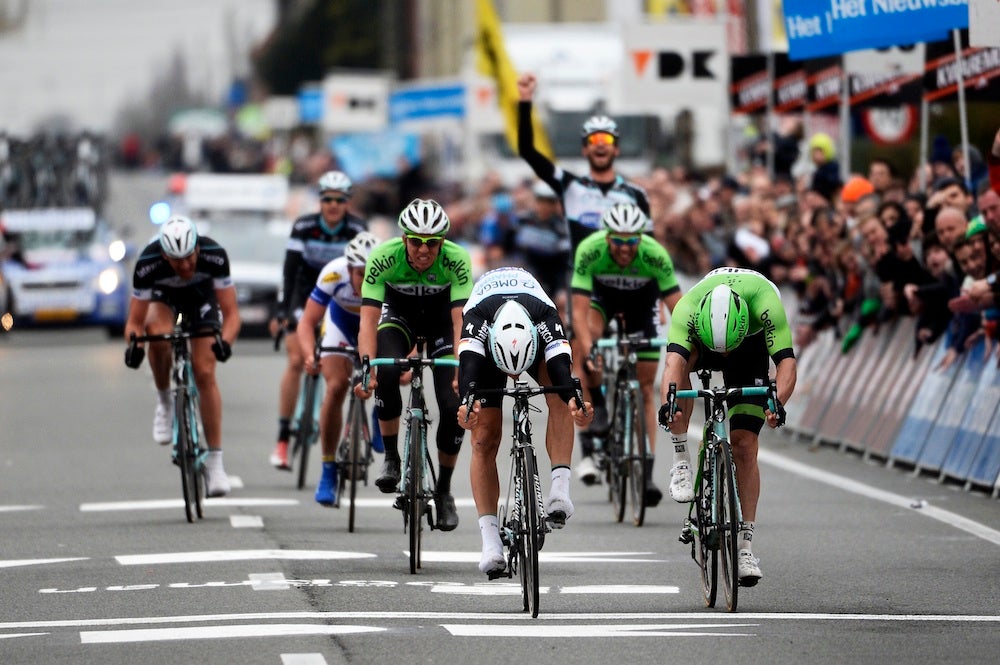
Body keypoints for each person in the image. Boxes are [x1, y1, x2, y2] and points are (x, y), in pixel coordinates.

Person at [517, 72, 651, 481]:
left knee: (639, 369)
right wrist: (524, 104)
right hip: (586, 286)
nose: (599, 148)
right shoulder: (571, 187)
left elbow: (648, 247)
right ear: (584, 149)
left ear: (615, 148)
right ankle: (594, 439)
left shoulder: (635, 195)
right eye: (593, 143)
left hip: (628, 285)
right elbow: (528, 152)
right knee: (582, 357)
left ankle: (637, 450)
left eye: (606, 142)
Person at [659, 267, 796, 587]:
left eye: (727, 349)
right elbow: (673, 366)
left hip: (749, 349)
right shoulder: (689, 308)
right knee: (678, 387)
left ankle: (745, 547)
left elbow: (786, 363)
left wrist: (778, 403)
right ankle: (681, 460)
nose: (725, 355)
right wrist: (669, 406)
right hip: (701, 343)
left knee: (744, 444)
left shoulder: (765, 302)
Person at [455, 267, 593, 574]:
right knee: (483, 437)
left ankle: (559, 490)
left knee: (559, 397)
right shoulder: (476, 321)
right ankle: (490, 541)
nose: (515, 377)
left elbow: (561, 372)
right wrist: (468, 406)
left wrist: (575, 401)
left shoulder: (545, 317)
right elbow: (468, 374)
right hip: (489, 339)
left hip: (535, 331)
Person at [354, 198, 472, 531]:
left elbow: (460, 318)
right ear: (404, 239)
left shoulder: (457, 259)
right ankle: (391, 457)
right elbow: (368, 319)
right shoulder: (383, 257)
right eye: (416, 241)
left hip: (441, 323)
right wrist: (367, 365)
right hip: (399, 315)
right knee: (387, 369)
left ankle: (445, 491)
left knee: (453, 405)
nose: (423, 249)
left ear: (442, 242)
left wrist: (464, 365)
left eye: (432, 243)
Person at [570, 202, 682, 503]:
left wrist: (684, 348)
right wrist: (590, 348)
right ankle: (599, 408)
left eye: (631, 241)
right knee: (585, 345)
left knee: (646, 388)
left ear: (640, 238)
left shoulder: (654, 255)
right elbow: (578, 312)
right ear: (606, 237)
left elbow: (679, 310)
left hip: (640, 305)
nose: (624, 248)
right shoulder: (590, 250)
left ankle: (646, 474)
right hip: (601, 301)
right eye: (617, 241)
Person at [123, 215, 241, 497]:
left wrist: (225, 341)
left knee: (204, 372)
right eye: (178, 261)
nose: (186, 265)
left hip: (202, 301)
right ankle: (164, 400)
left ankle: (215, 463)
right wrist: (134, 346)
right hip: (164, 301)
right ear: (164, 255)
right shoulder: (147, 263)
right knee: (157, 334)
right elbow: (135, 322)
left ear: (198, 247)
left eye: (190, 258)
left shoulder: (214, 255)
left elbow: (233, 314)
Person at [269, 171, 368, 471]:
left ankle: (336, 407)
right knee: (297, 359)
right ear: (320, 201)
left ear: (347, 203)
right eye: (327, 200)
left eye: (339, 200)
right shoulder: (304, 226)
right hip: (306, 292)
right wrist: (282, 312)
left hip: (340, 295)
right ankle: (283, 440)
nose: (333, 205)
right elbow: (289, 272)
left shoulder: (356, 228)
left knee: (337, 358)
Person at [296, 231, 381, 507]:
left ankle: (382, 414)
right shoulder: (333, 274)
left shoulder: (389, 277)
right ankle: (328, 469)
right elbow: (307, 322)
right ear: (348, 269)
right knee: (335, 387)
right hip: (340, 324)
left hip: (376, 324)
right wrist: (310, 355)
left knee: (392, 372)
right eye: (360, 274)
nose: (366, 281)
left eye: (372, 275)